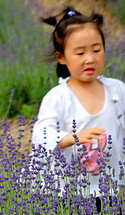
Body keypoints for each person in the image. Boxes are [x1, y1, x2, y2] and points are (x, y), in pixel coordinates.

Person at [31, 7, 125, 198]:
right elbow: (42, 134)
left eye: (96, 50)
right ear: (61, 57)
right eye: (80, 53)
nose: (90, 59)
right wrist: (73, 138)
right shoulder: (58, 97)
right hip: (69, 192)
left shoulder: (116, 89)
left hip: (109, 187)